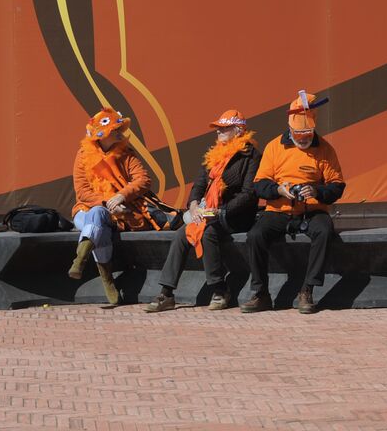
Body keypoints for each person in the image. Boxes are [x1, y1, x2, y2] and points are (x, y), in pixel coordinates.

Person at [145, 109, 261, 313]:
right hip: (209, 213)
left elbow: (249, 194)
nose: (218, 132)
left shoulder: (251, 155)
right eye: (218, 129)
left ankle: (219, 289)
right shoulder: (213, 154)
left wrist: (221, 211)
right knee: (182, 235)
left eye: (223, 129)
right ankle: (166, 293)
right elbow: (198, 185)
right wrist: (194, 206)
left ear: (238, 130)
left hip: (236, 216)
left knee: (208, 232)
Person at [241, 91, 346, 314]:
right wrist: (278, 189)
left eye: (307, 135)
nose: (303, 140)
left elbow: (337, 186)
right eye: (298, 135)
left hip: (312, 209)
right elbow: (259, 184)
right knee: (255, 236)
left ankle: (307, 290)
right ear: (290, 129)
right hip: (278, 210)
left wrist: (315, 190)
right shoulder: (274, 147)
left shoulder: (325, 150)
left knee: (324, 231)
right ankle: (261, 293)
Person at [70, 108, 153, 307]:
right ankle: (107, 279)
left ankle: (81, 257)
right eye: (116, 129)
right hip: (85, 210)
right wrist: (107, 203)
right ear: (103, 135)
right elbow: (82, 192)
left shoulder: (126, 154)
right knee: (97, 214)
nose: (121, 133)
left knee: (99, 220)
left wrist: (121, 195)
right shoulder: (83, 156)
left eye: (120, 128)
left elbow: (143, 179)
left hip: (116, 213)